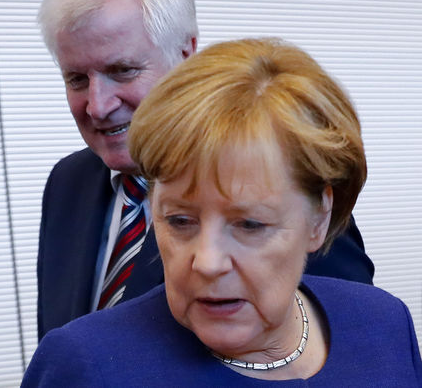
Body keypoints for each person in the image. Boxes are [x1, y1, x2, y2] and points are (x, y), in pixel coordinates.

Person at [22, 37, 422, 386]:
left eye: (249, 224)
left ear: (319, 219)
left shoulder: (383, 324)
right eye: (180, 221)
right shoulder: (85, 365)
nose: (208, 262)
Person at [36, 0, 374, 341]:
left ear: (186, 54)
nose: (98, 105)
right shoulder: (67, 182)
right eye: (77, 79)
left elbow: (350, 349)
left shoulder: (277, 192)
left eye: (122, 71)